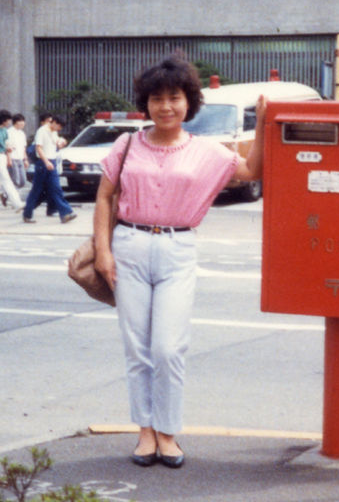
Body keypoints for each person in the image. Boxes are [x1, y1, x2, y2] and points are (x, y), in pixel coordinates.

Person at [93, 57, 266, 469]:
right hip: (129, 245)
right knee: (137, 348)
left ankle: (168, 432)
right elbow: (104, 197)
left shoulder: (206, 151)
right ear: (145, 103)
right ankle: (145, 432)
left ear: (189, 102)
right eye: (157, 99)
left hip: (178, 249)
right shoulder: (127, 145)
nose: (165, 106)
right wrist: (103, 251)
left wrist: (263, 123)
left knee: (168, 348)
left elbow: (253, 169)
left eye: (174, 97)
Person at [22, 114, 76, 223]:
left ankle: (65, 212)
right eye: (59, 127)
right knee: (37, 190)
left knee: (56, 188)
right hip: (43, 163)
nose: (59, 129)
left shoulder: (54, 132)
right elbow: (39, 148)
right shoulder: (42, 131)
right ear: (54, 122)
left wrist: (62, 143)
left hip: (52, 161)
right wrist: (46, 161)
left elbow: (57, 143)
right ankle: (27, 213)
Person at [7, 113, 28, 188]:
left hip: (20, 159)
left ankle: (5, 194)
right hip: (12, 158)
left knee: (23, 181)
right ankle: (12, 197)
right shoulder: (9, 132)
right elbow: (7, 147)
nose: (23, 123)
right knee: (15, 180)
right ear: (16, 122)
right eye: (21, 121)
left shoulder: (22, 133)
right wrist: (9, 159)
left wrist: (25, 159)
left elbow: (23, 148)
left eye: (23, 121)